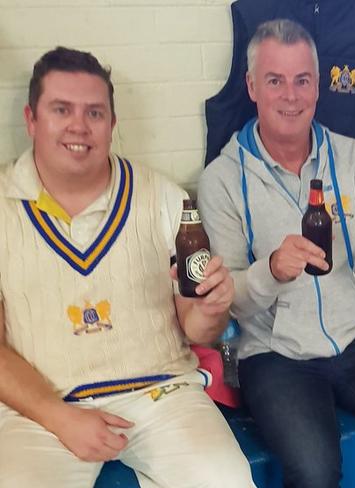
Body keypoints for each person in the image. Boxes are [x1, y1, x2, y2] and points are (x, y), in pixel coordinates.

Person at [198, 19, 355, 488]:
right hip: (274, 356)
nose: (291, 96)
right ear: (252, 87)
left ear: (319, 86)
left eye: (302, 80)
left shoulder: (354, 158)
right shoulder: (221, 179)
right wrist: (271, 271)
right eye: (275, 81)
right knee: (315, 471)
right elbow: (229, 299)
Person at [0, 47, 254, 488]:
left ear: (113, 125)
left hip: (161, 393)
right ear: (31, 119)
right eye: (62, 109)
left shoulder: (164, 198)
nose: (79, 126)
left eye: (95, 113)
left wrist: (213, 310)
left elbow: (197, 331)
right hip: (43, 405)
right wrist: (59, 417)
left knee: (226, 479)